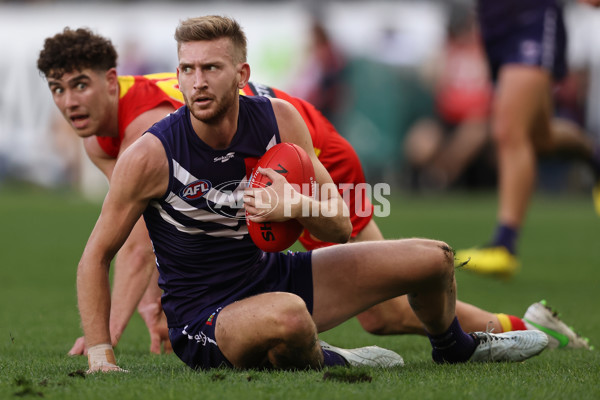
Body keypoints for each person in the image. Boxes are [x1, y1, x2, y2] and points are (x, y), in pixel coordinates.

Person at [37, 27, 587, 361]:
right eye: (57, 89)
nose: (69, 102)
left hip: (307, 151)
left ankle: (519, 328)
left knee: (387, 312)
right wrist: (156, 305)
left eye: (80, 84)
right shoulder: (102, 140)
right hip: (274, 164)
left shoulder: (144, 129)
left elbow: (134, 248)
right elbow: (158, 227)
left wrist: (105, 334)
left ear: (112, 81)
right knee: (358, 310)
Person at [455, 0, 600, 276]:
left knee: (509, 131)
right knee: (540, 137)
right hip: (493, 20)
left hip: (532, 15)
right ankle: (594, 157)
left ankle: (504, 245)